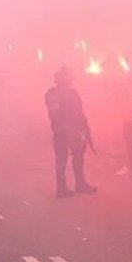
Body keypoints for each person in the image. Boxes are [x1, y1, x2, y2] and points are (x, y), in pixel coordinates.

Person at [45, 67, 97, 198]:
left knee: (61, 159)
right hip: (72, 131)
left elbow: (53, 114)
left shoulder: (51, 93)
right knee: (77, 157)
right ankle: (80, 184)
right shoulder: (72, 93)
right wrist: (85, 129)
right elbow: (79, 114)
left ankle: (61, 188)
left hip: (59, 131)